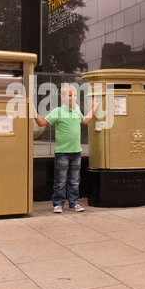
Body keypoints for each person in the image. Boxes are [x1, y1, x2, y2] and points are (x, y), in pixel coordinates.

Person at [34, 84, 99, 213]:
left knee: (75, 180)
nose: (72, 98)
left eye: (74, 95)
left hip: (77, 152)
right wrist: (32, 111)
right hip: (62, 153)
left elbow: (85, 121)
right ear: (62, 97)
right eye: (69, 95)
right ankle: (58, 204)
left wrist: (94, 108)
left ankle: (74, 203)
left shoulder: (76, 109)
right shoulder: (57, 111)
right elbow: (41, 123)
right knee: (61, 181)